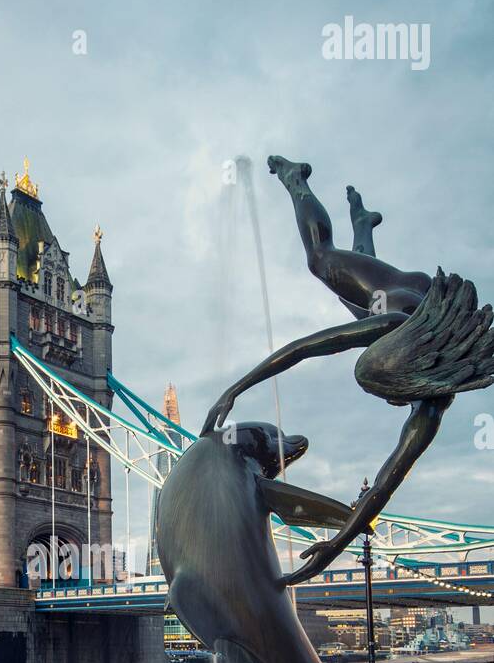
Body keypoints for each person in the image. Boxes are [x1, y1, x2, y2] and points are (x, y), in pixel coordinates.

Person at [202, 157, 494, 584]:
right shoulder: (393, 319)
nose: (392, 402)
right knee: (321, 260)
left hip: (426, 316)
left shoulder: (432, 406)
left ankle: (363, 225)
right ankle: (295, 177)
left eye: (388, 396)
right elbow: (304, 349)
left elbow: (381, 487)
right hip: (403, 295)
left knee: (352, 303)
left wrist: (334, 545)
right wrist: (235, 389)